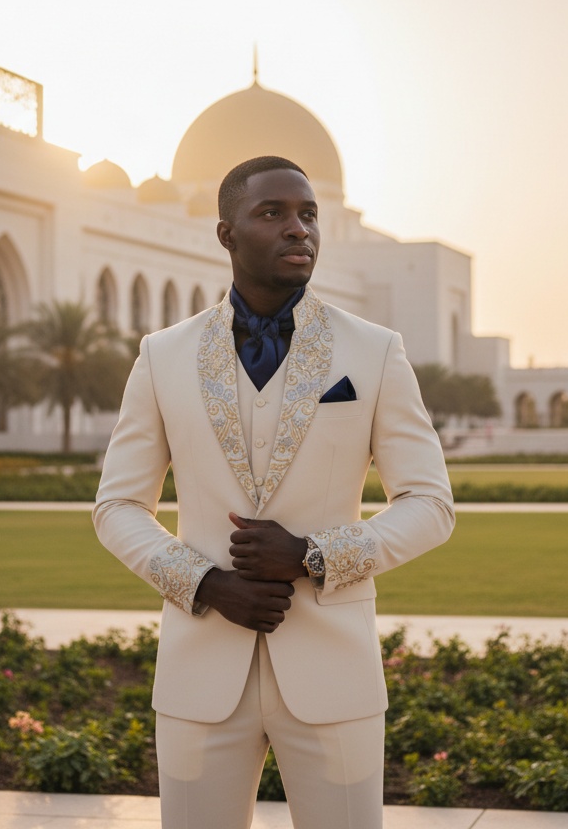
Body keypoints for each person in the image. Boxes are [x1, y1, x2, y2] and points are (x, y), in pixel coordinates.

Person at [93, 155, 454, 829]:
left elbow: (431, 505)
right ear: (226, 232)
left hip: (334, 675)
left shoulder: (374, 350)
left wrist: (315, 555)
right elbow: (117, 507)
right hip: (200, 676)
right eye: (274, 214)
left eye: (309, 215)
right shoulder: (162, 355)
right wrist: (204, 583)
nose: (299, 229)